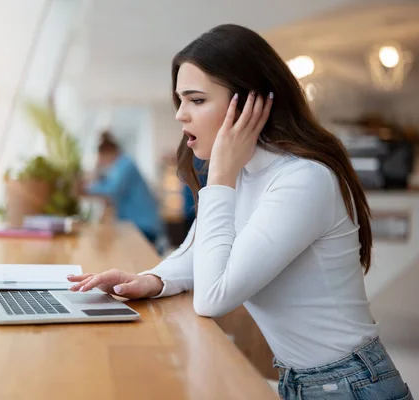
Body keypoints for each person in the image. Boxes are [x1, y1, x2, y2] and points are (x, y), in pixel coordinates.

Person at [68, 24, 413, 400]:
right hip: (309, 381)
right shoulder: (249, 175)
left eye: (196, 100)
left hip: (352, 386)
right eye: (180, 100)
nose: (181, 115)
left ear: (250, 104)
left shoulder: (302, 180)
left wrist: (220, 175)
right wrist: (152, 279)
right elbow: (199, 252)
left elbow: (214, 295)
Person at [86, 131, 163, 248]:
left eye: (102, 157)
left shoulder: (125, 164)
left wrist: (87, 188)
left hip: (143, 224)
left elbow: (112, 189)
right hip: (135, 224)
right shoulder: (118, 167)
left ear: (108, 153)